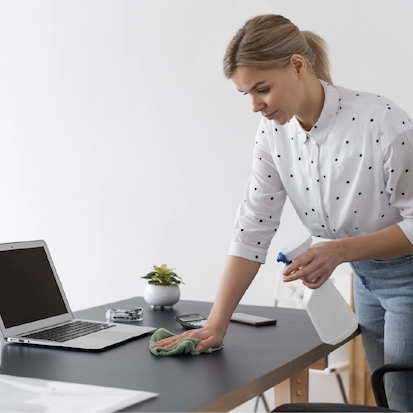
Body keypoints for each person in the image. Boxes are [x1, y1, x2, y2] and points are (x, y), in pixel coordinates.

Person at [152, 14, 413, 412]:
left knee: (402, 399)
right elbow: (254, 225)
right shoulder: (273, 133)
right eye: (247, 95)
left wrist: (339, 251)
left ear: (297, 65)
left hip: (408, 276)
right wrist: (217, 323)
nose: (256, 106)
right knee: (386, 401)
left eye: (263, 89)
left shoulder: (380, 122)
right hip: (366, 278)